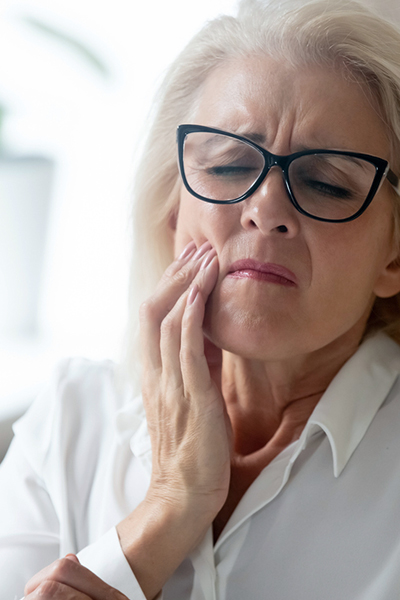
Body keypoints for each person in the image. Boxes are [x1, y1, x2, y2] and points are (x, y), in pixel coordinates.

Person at [3, 0, 400, 597]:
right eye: (228, 166)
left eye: (326, 182)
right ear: (173, 210)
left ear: (393, 256)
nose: (265, 208)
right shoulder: (71, 416)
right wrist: (170, 506)